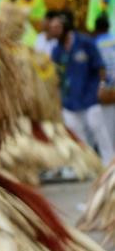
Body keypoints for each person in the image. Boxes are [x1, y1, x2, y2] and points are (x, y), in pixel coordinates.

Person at [49, 10, 115, 164]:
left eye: (57, 27)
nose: (54, 31)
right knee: (76, 133)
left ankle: (109, 163)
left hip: (89, 96)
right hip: (69, 101)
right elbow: (55, 75)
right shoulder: (56, 51)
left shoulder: (86, 43)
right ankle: (89, 164)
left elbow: (100, 67)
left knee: (97, 127)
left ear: (66, 27)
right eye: (52, 28)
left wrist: (102, 85)